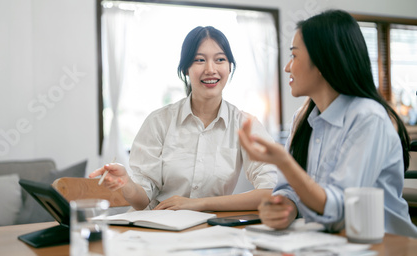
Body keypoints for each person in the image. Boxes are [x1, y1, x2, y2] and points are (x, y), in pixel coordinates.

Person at [238, 9, 417, 237]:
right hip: (327, 242)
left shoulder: (368, 118)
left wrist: (283, 162)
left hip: (386, 245)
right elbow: (289, 190)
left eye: (294, 56)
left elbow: (341, 209)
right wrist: (285, 208)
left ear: (323, 61)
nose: (287, 67)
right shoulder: (302, 120)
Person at [90, 26, 277, 211]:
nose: (210, 69)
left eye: (220, 59)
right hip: (158, 226)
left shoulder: (245, 125)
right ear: (186, 68)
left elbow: (271, 191)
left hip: (211, 227)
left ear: (230, 67)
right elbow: (141, 201)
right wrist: (127, 183)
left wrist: (198, 204)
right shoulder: (159, 122)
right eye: (199, 60)